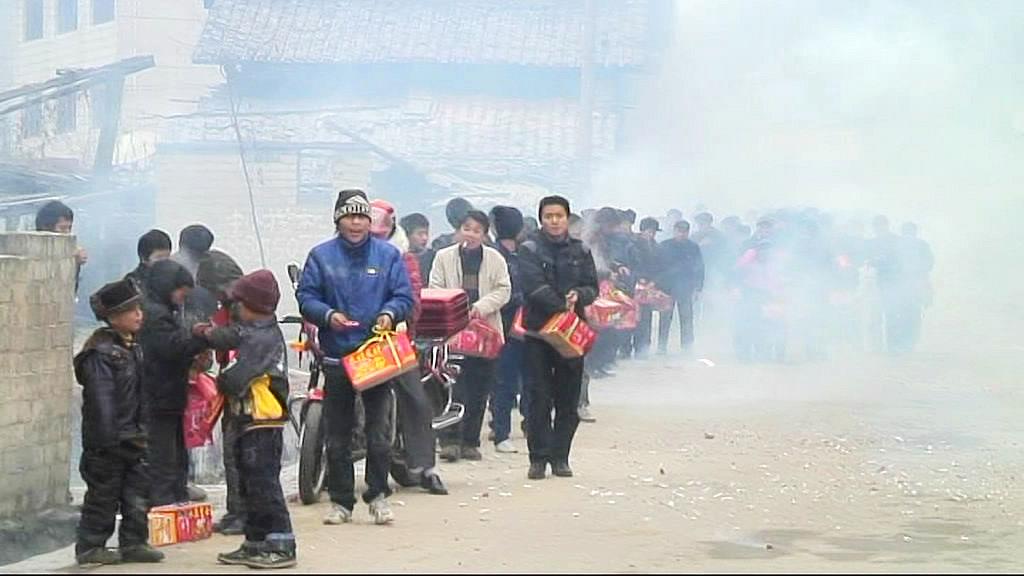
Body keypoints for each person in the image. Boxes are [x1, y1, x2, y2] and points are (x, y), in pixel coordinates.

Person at [296, 189, 413, 526]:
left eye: (362, 216)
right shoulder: (321, 256)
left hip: (376, 354)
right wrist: (327, 314)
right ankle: (342, 502)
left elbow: (403, 295)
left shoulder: (388, 255)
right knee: (337, 434)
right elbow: (307, 296)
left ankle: (377, 496)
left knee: (379, 432)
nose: (356, 223)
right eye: (349, 216)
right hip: (337, 356)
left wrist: (390, 314)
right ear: (338, 220)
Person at [194, 270, 297, 569]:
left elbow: (236, 377)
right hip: (246, 418)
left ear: (251, 304)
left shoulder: (262, 336)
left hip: (262, 420)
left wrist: (215, 377)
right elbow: (229, 336)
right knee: (248, 481)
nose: (234, 307)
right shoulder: (253, 329)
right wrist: (204, 332)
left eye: (238, 302)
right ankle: (255, 541)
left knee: (264, 483)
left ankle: (281, 543)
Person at [74, 279, 165, 566]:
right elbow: (101, 403)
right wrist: (109, 440)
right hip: (109, 442)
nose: (139, 314)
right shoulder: (100, 355)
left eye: (139, 308)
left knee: (137, 495)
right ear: (113, 317)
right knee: (103, 496)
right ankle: (91, 547)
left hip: (134, 437)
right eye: (131, 310)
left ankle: (134, 542)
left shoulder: (132, 348)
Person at [370, 200, 448, 495]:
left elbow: (411, 297)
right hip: (352, 338)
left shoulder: (405, 259)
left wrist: (392, 316)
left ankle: (426, 466)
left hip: (394, 338)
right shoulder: (339, 255)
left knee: (415, 398)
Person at [519, 196, 598, 480]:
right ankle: (538, 458)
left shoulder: (581, 250)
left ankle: (560, 456)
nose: (554, 221)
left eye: (559, 216)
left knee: (568, 397)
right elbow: (531, 286)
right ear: (541, 219)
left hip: (571, 334)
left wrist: (580, 296)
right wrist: (559, 305)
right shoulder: (528, 249)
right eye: (549, 216)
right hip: (538, 332)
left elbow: (592, 287)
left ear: (567, 218)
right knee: (538, 397)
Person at [430, 210, 512, 462]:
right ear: (458, 230)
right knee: (452, 386)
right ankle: (448, 440)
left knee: (479, 388)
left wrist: (481, 307)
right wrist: (457, 305)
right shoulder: (443, 257)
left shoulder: (495, 259)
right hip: (452, 331)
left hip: (485, 332)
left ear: (484, 234)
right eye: (467, 228)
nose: (471, 234)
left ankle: (470, 441)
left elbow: (504, 289)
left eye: (477, 230)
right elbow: (435, 287)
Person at [138, 260, 209, 507]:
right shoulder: (155, 315)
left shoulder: (162, 310)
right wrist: (201, 337)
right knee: (164, 458)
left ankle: (175, 499)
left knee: (174, 454)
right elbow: (173, 348)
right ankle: (164, 504)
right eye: (181, 293)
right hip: (160, 395)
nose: (182, 299)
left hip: (167, 394)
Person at [194, 250, 248, 535]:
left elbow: (239, 340)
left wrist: (205, 333)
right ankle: (235, 509)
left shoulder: (247, 307)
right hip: (231, 388)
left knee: (243, 455)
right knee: (231, 453)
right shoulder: (227, 306)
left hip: (251, 394)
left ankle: (245, 513)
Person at [488, 206, 529, 453]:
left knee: (513, 380)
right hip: (507, 326)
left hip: (516, 325)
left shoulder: (501, 255)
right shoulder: (510, 256)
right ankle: (504, 430)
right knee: (508, 381)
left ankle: (511, 428)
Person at [656, 220, 705, 355]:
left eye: (684, 231)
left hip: (686, 288)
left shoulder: (693, 247)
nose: (682, 234)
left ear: (688, 232)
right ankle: (661, 347)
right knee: (665, 319)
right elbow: (657, 267)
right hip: (667, 288)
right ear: (674, 231)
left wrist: (698, 288)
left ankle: (687, 348)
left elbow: (699, 269)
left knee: (686, 318)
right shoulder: (664, 246)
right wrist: (657, 286)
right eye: (679, 231)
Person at [36, 200, 88, 292]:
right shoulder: (34, 252)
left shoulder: (69, 253)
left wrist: (75, 264)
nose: (67, 233)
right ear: (46, 227)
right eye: (62, 228)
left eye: (69, 228)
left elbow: (69, 290)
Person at [899, 222, 934, 351]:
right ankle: (910, 341)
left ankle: (904, 342)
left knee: (902, 313)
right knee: (912, 314)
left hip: (905, 285)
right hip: (914, 285)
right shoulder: (922, 245)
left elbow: (929, 264)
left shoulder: (897, 245)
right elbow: (929, 264)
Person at [633, 217, 662, 359]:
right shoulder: (633, 244)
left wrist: (654, 282)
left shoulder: (656, 247)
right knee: (632, 317)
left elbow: (659, 267)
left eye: (654, 232)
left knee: (646, 317)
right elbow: (632, 263)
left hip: (649, 286)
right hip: (634, 285)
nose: (652, 235)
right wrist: (639, 277)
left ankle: (643, 347)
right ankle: (628, 347)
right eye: (650, 231)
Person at [400, 212, 435, 281]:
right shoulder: (398, 259)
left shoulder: (433, 257)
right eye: (420, 234)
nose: (425, 238)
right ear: (407, 235)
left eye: (426, 233)